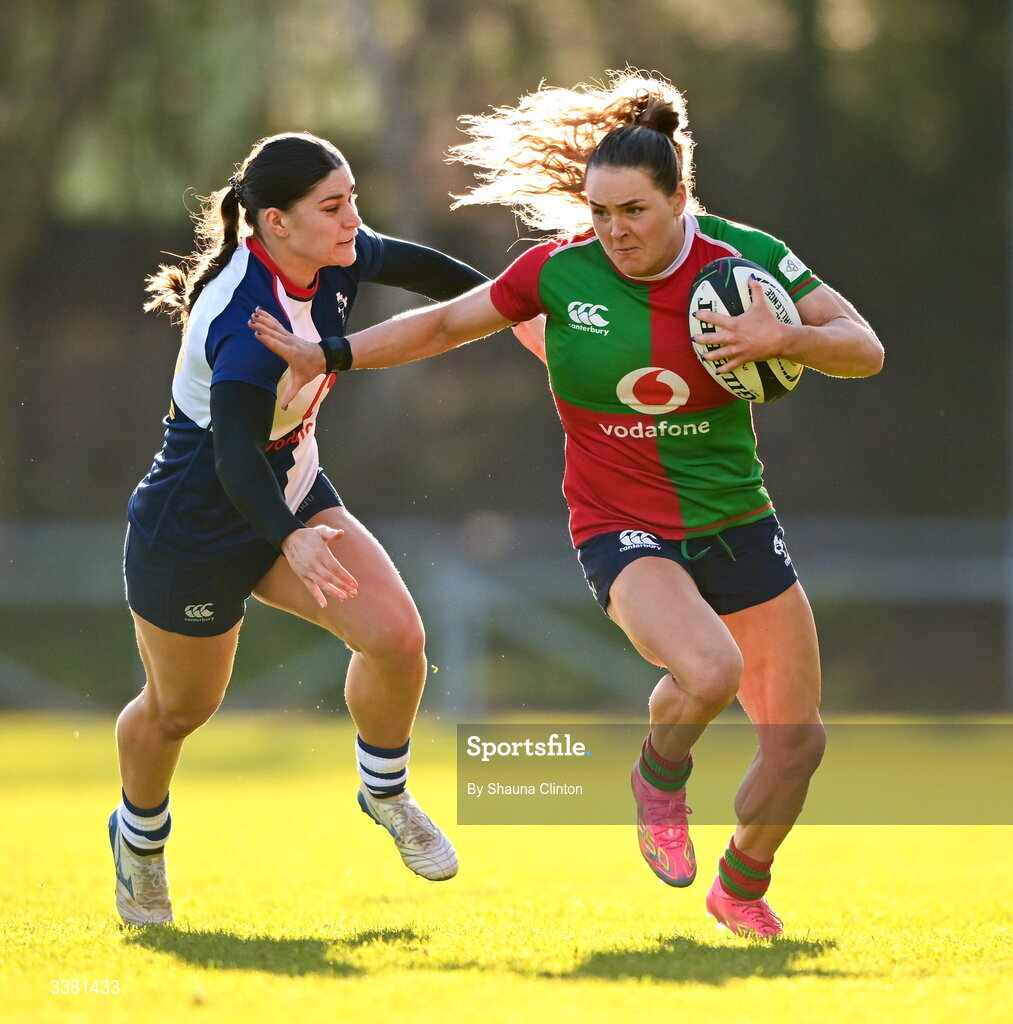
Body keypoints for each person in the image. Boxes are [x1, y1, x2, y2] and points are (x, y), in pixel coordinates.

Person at [251, 73, 884, 939]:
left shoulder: (746, 260)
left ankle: (740, 886)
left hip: (736, 518)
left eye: (633, 211)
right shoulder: (560, 271)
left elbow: (864, 348)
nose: (613, 231)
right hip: (621, 527)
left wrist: (786, 339)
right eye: (599, 212)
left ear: (679, 199)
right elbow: (442, 325)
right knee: (706, 671)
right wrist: (329, 353)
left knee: (798, 743)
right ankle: (658, 780)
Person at [112, 131, 491, 926]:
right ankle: (139, 843)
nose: (354, 218)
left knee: (395, 639)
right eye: (334, 205)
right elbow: (234, 457)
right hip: (197, 522)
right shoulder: (244, 323)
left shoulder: (331, 251)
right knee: (179, 712)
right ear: (276, 223)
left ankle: (383, 793)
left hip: (287, 487)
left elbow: (424, 271)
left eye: (352, 197)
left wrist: (513, 304)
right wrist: (290, 537)